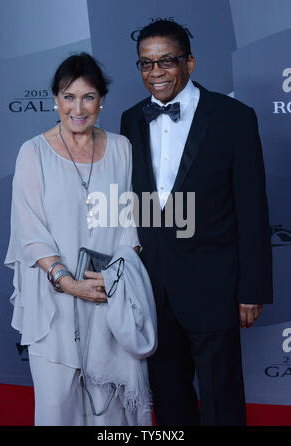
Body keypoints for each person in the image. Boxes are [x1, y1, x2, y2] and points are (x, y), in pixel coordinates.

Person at [121, 19, 273, 426]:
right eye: (146, 64)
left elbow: (253, 208)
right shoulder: (131, 119)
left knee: (222, 396)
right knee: (168, 396)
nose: (155, 74)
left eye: (166, 62)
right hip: (153, 286)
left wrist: (251, 289)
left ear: (190, 62)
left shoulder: (234, 118)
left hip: (215, 283)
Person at [4, 52, 157, 426]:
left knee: (112, 412)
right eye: (68, 96)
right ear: (55, 99)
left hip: (109, 297)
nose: (78, 107)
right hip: (53, 300)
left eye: (88, 96)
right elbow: (30, 229)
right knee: (59, 406)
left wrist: (113, 277)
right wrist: (68, 282)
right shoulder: (33, 152)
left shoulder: (122, 148)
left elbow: (130, 222)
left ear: (102, 99)